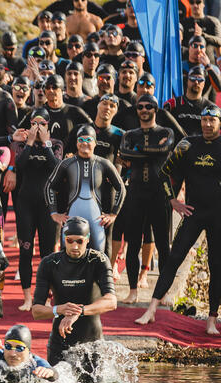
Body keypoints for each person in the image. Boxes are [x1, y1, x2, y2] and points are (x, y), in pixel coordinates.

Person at [137, 106, 221, 334]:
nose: (207, 124)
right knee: (174, 258)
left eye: (212, 120)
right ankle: (151, 309)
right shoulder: (188, 145)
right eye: (204, 120)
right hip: (192, 213)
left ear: (219, 123)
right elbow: (164, 173)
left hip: (217, 216)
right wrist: (173, 201)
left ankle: (212, 319)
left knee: (216, 266)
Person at [32, 217, 118, 381]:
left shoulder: (98, 260)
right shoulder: (50, 263)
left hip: (92, 345)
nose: (74, 246)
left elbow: (111, 301)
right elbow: (36, 311)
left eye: (79, 241)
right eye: (70, 241)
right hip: (60, 346)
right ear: (64, 240)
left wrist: (80, 311)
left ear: (87, 240)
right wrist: (59, 310)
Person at [118, 95, 175, 304]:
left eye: (148, 106)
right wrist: (152, 153)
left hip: (159, 193)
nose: (144, 109)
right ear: (136, 110)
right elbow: (123, 152)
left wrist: (137, 152)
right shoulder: (129, 134)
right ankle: (133, 290)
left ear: (155, 109)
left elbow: (164, 149)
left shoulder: (165, 132)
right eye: (140, 106)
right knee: (133, 244)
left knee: (162, 245)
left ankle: (163, 292)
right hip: (135, 193)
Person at [44, 126, 125, 253]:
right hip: (72, 218)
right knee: (69, 258)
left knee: (98, 257)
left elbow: (121, 188)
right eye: (81, 139)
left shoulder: (103, 163)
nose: (84, 143)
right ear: (76, 143)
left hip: (96, 220)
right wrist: (54, 213)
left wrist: (113, 214)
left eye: (88, 140)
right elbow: (49, 186)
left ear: (95, 143)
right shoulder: (67, 163)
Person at [12, 109, 62, 311]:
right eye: (35, 123)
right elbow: (19, 165)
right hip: (25, 203)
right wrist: (31, 142)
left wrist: (45, 142)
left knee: (48, 253)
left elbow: (56, 166)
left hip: (47, 204)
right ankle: (27, 297)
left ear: (49, 125)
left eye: (42, 123)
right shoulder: (23, 145)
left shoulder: (55, 144)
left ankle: (46, 295)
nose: (38, 127)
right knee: (25, 250)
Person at [165, 65, 217, 135]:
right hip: (178, 144)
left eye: (200, 79)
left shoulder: (210, 107)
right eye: (192, 78)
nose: (196, 82)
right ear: (187, 81)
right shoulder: (172, 104)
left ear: (204, 84)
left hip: (201, 144)